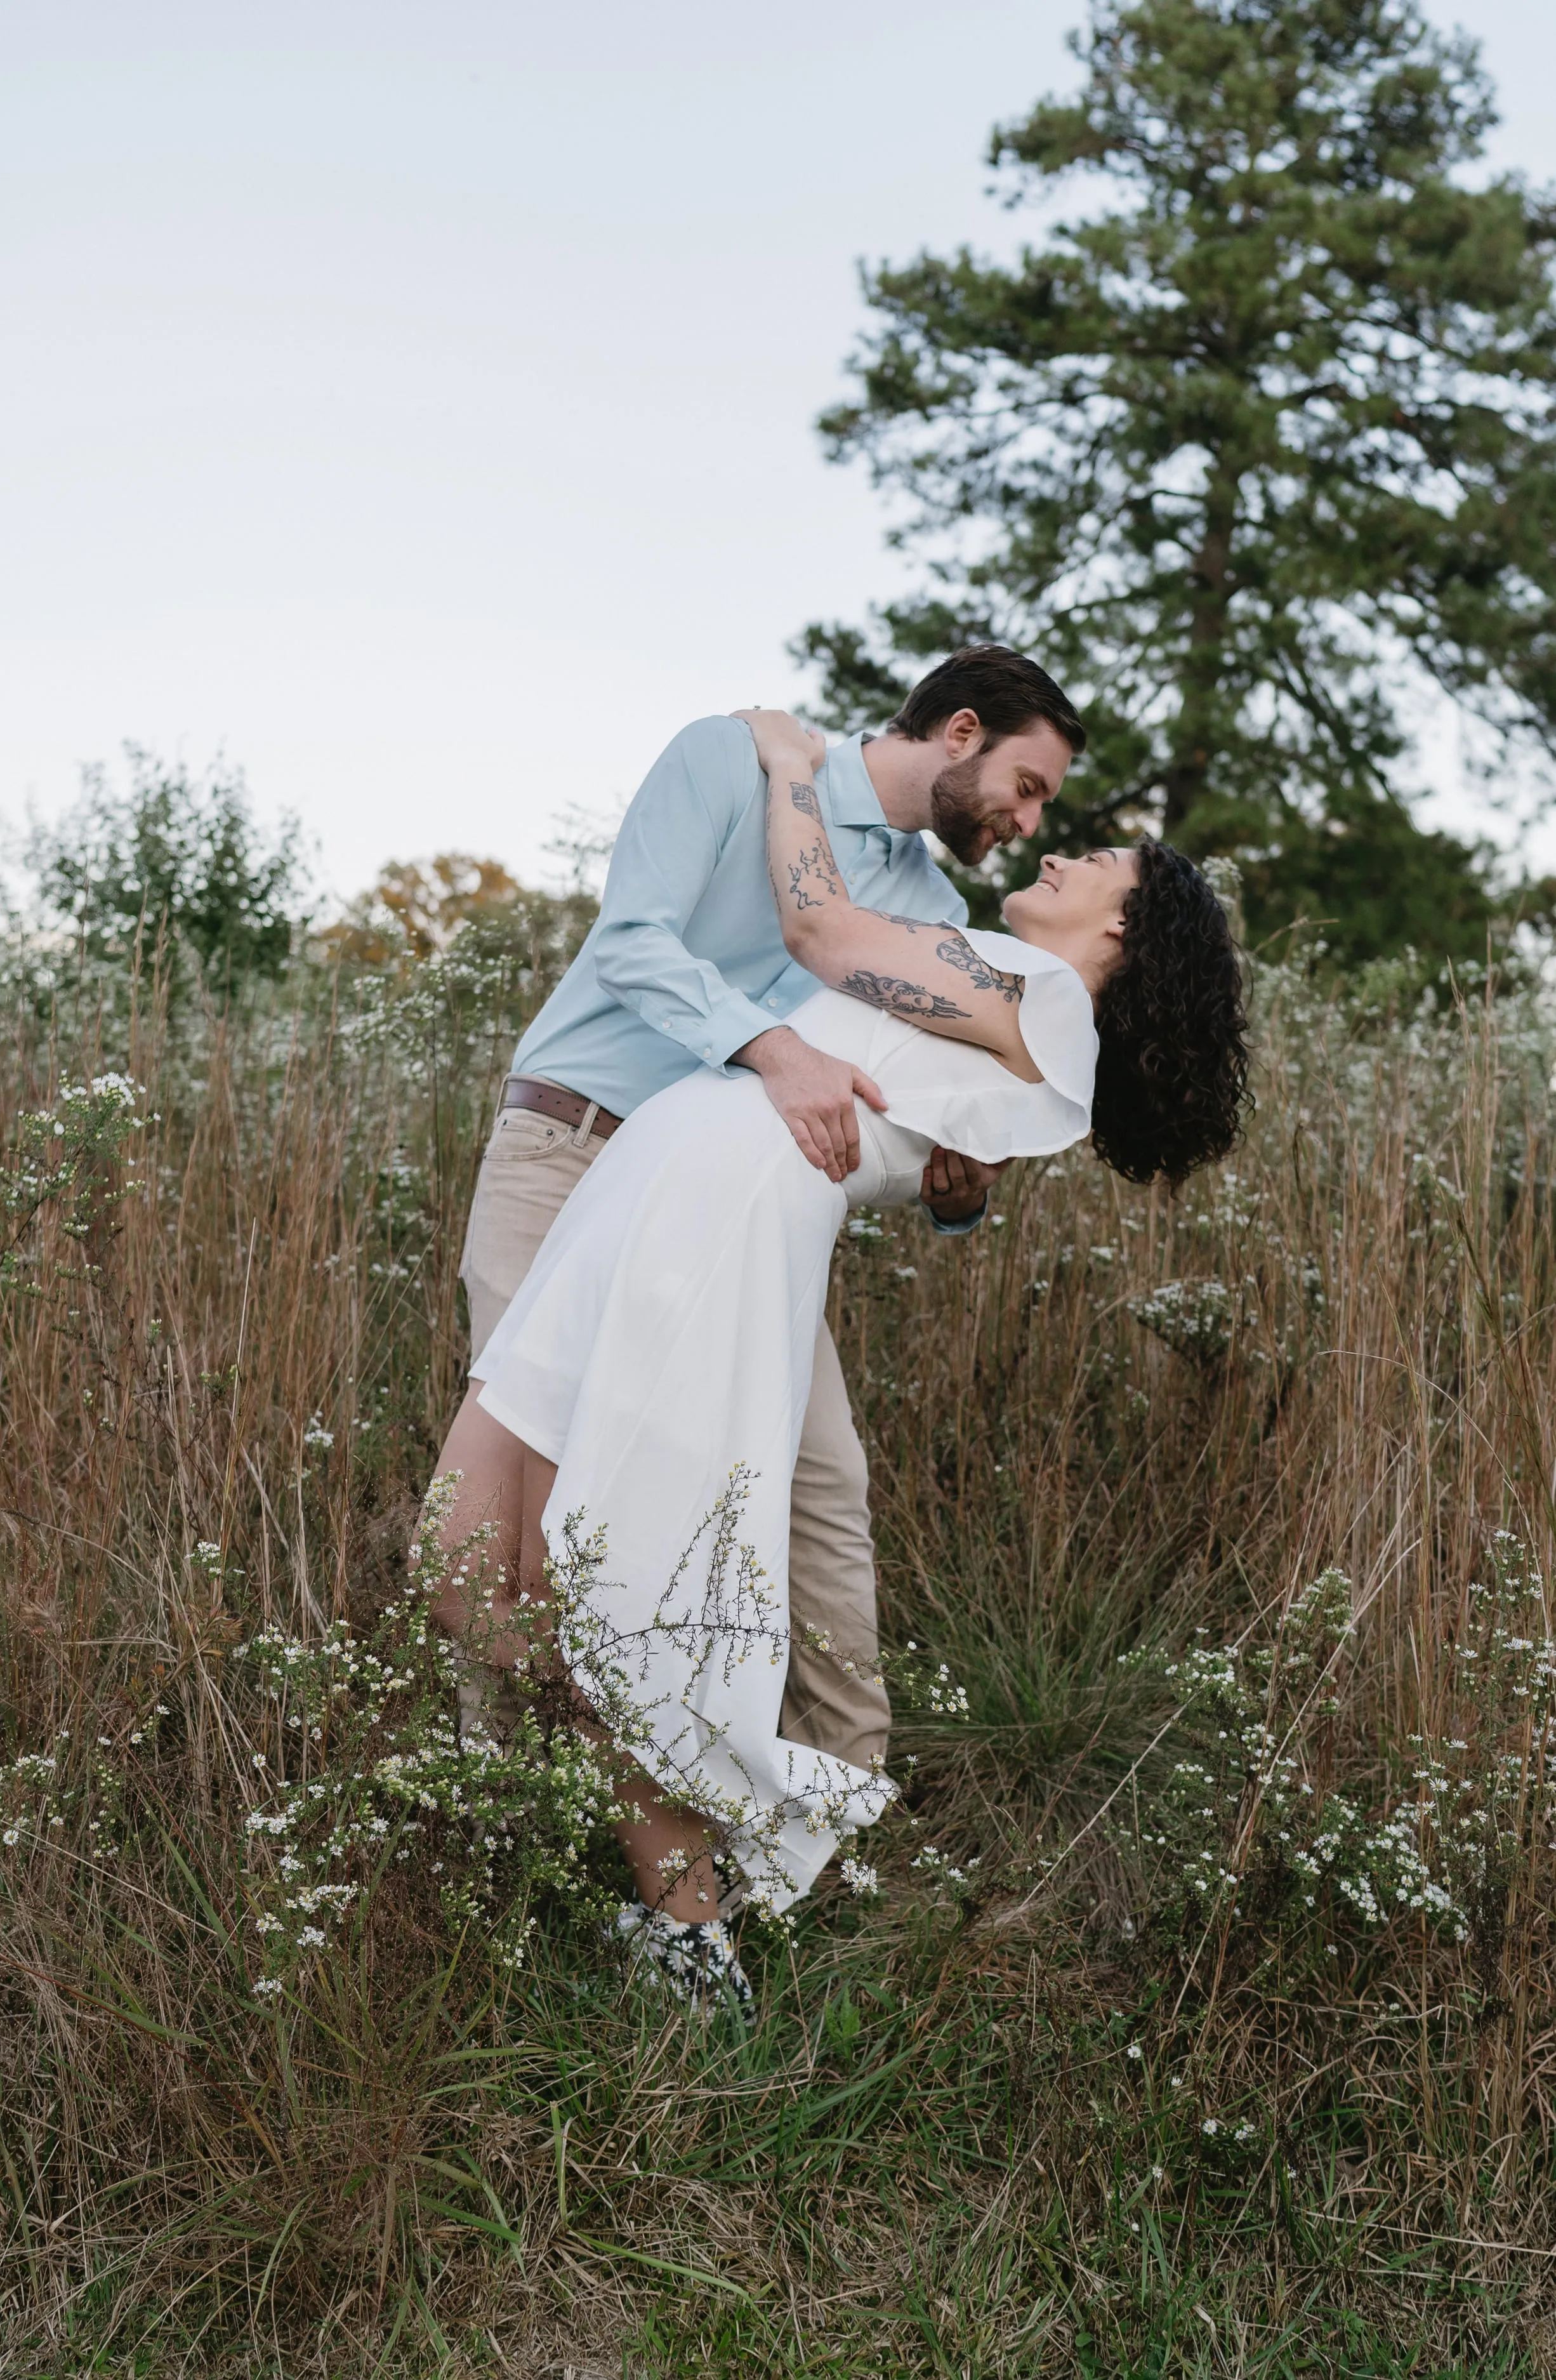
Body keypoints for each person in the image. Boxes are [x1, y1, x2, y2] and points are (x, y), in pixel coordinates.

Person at [428, 706, 1251, 2015]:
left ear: (1120, 935)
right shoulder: (998, 984)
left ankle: (693, 1921)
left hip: (707, 1232)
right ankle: (692, 1778)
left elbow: (815, 931)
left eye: (1096, 863)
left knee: (599, 1582)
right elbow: (935, 1142)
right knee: (462, 1562)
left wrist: (794, 769)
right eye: (1047, 814)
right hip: (640, 1190)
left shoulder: (1032, 996)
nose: (1058, 851)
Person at [447, 647, 1087, 1797]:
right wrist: (776, 1048)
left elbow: (941, 1102)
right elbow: (636, 943)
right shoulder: (730, 762)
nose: (1029, 825)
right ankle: (516, 1808)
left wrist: (961, 1191)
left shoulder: (932, 908)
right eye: (1027, 786)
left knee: (822, 1484)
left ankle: (848, 1795)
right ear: (959, 732)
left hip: (732, 1216)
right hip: (572, 1152)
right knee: (523, 1489)